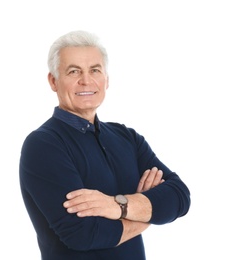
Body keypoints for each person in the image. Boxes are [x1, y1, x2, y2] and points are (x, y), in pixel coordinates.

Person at [19, 30, 191, 260]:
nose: (86, 81)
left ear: (106, 80)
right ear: (53, 81)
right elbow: (84, 235)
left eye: (95, 70)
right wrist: (149, 212)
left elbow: (180, 197)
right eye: (73, 71)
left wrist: (117, 205)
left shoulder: (127, 137)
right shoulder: (43, 145)